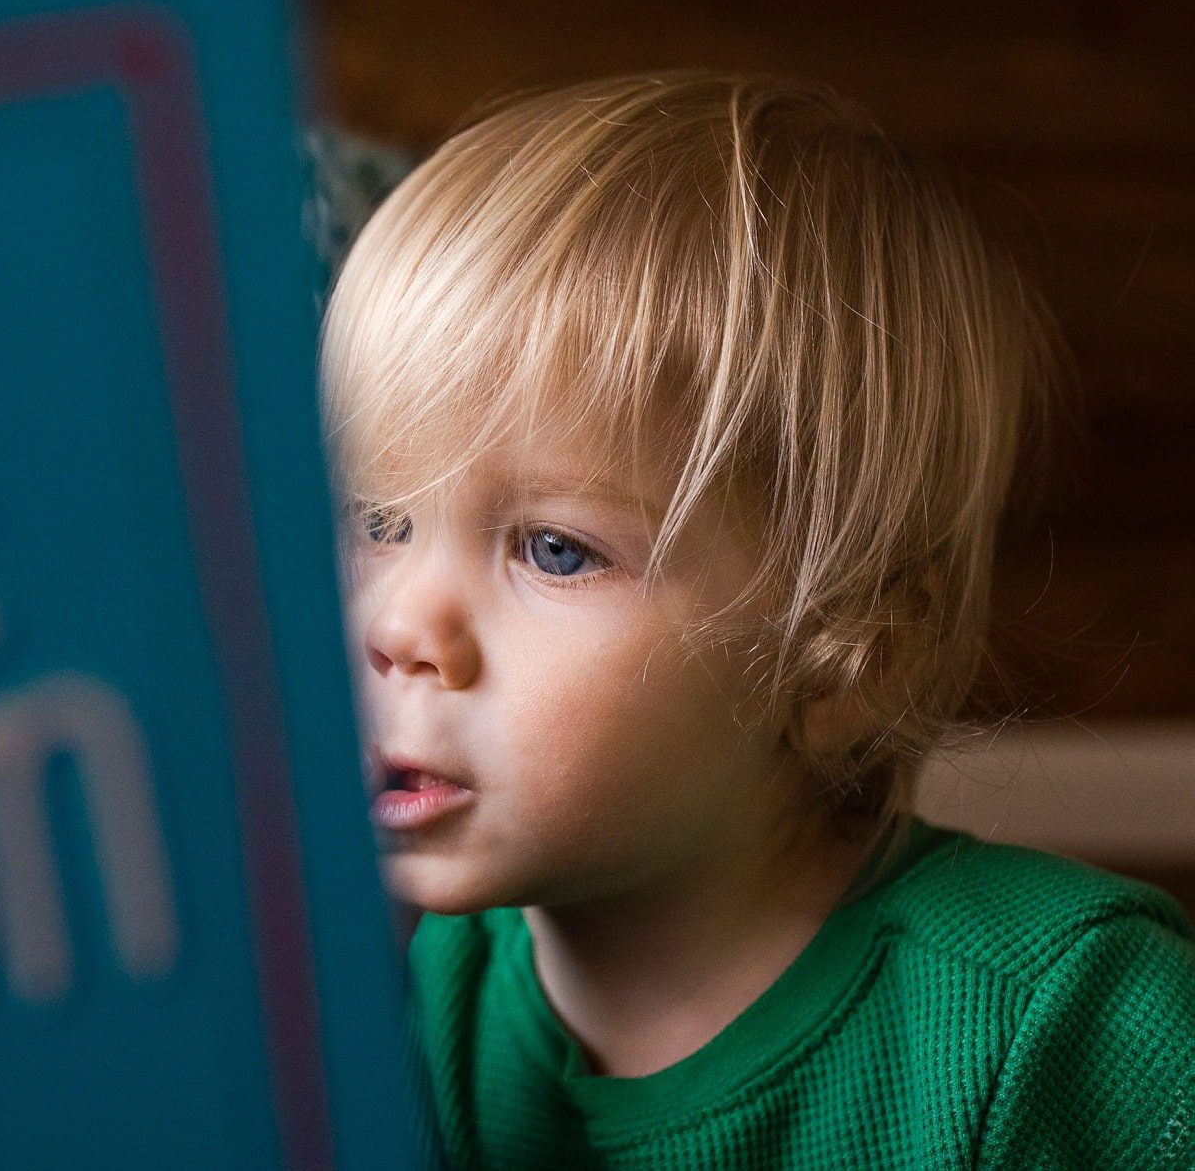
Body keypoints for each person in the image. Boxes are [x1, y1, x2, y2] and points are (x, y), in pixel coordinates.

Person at [316, 71, 1195, 1167]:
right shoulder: (411, 999)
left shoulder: (1059, 1022)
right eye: (375, 521)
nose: (392, 626)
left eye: (554, 549)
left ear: (847, 666)